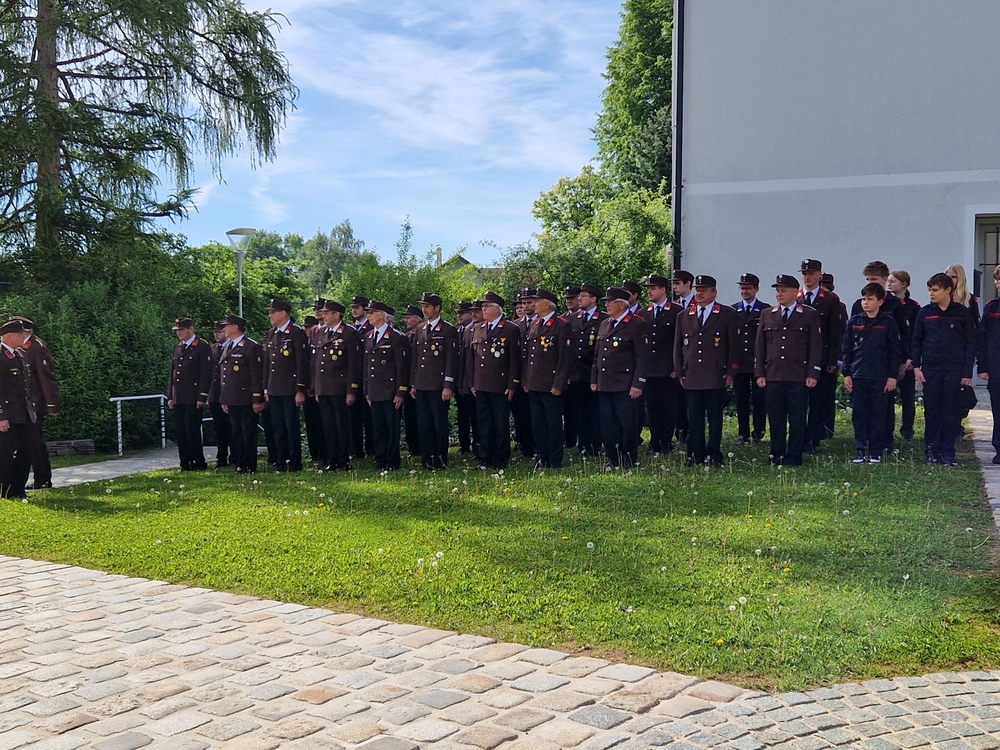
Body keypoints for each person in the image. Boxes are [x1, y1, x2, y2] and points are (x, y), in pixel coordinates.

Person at [755, 275, 823, 467]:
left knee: (797, 416)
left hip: (798, 374)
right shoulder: (767, 314)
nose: (779, 294)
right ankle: (776, 453)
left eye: (783, 290)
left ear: (795, 292)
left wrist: (813, 373)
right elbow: (760, 346)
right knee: (775, 416)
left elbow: (815, 346)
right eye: (777, 290)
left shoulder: (808, 314)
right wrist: (759, 372)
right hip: (773, 373)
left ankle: (794, 455)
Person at [674, 275, 738, 467]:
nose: (699, 293)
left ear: (714, 292)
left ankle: (714, 454)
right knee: (694, 417)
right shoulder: (684, 315)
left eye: (704, 290)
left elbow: (734, 346)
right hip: (692, 373)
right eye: (697, 290)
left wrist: (731, 371)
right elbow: (678, 346)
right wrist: (679, 371)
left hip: (715, 374)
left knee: (715, 417)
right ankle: (695, 454)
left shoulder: (727, 314)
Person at [912, 273, 976, 465]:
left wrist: (966, 372)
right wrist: (916, 367)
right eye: (929, 290)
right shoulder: (925, 313)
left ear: (948, 290)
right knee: (932, 410)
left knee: (951, 411)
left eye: (935, 290)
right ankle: (931, 451)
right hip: (931, 369)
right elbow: (916, 341)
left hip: (954, 369)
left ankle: (947, 452)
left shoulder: (962, 313)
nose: (931, 293)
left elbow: (970, 342)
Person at [851, 261, 910, 452]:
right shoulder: (858, 305)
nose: (871, 282)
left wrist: (903, 362)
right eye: (868, 279)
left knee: (884, 406)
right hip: (862, 366)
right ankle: (864, 443)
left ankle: (884, 443)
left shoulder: (895, 305)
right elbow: (851, 338)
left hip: (886, 364)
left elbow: (903, 336)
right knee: (862, 408)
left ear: (885, 280)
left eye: (874, 279)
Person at [842, 283, 902, 463]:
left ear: (880, 301)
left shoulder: (888, 323)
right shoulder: (854, 322)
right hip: (859, 375)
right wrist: (846, 373)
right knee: (860, 414)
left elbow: (894, 351)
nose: (865, 302)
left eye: (870, 299)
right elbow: (847, 350)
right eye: (863, 299)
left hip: (880, 377)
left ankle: (876, 450)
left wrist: (892, 376)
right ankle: (861, 450)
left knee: (878, 414)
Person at [591, 287, 649, 469]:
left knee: (628, 423)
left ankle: (629, 456)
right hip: (605, 383)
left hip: (625, 384)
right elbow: (597, 355)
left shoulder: (636, 324)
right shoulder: (605, 323)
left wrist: (638, 383)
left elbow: (642, 358)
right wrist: (594, 379)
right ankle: (612, 456)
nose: (606, 305)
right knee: (607, 423)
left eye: (610, 302)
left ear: (621, 305)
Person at [523, 288, 574, 468]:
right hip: (534, 382)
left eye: (536, 301)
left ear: (547, 304)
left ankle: (554, 458)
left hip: (551, 383)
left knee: (552, 422)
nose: (533, 304)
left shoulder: (561, 325)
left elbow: (565, 358)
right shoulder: (535, 323)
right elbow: (529, 356)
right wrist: (526, 380)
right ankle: (541, 455)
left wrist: (559, 383)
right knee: (537, 422)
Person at [471, 292, 522, 470]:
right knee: (484, 423)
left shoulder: (509, 329)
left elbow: (515, 360)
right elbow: (473, 358)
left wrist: (512, 383)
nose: (483, 309)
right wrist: (472, 381)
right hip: (481, 384)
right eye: (483, 306)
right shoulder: (478, 328)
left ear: (497, 309)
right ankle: (484, 458)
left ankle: (501, 459)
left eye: (487, 306)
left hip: (500, 385)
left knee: (500, 423)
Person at [798, 259, 845, 452]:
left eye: (811, 273)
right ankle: (799, 437)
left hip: (822, 357)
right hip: (799, 358)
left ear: (819, 275)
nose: (807, 277)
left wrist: (835, 358)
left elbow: (836, 331)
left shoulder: (830, 299)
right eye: (804, 274)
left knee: (818, 401)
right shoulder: (796, 297)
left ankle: (812, 439)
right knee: (799, 401)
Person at [410, 292, 459, 470]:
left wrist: (448, 385)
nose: (424, 310)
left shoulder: (447, 330)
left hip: (438, 386)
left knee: (439, 423)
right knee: (424, 424)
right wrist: (413, 383)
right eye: (422, 306)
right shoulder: (420, 329)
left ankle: (439, 459)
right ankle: (427, 459)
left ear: (437, 308)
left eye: (427, 306)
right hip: (422, 384)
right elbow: (415, 358)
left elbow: (451, 360)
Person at [10, 317, 60, 489]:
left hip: (34, 404)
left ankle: (43, 478)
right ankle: (19, 481)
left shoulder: (37, 347)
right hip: (22, 405)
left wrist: (52, 404)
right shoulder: (19, 347)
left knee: (35, 442)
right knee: (25, 443)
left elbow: (46, 378)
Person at [313, 300, 361, 472]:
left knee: (342, 425)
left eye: (327, 313)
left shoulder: (349, 333)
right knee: (328, 425)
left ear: (336, 314)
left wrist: (351, 390)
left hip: (340, 388)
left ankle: (343, 460)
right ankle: (331, 459)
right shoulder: (321, 332)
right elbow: (317, 362)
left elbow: (354, 364)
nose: (323, 315)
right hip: (324, 388)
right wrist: (316, 387)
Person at [637, 274, 682, 454]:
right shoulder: (643, 313)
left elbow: (679, 342)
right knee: (652, 407)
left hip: (668, 368)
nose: (649, 291)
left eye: (653, 288)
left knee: (668, 407)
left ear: (663, 289)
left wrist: (677, 366)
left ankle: (666, 440)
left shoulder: (676, 311)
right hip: (649, 368)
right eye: (648, 288)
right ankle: (654, 440)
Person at [263, 299, 309, 472]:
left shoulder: (295, 332)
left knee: (291, 426)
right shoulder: (272, 333)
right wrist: (266, 388)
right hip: (274, 388)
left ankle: (294, 461)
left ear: (283, 313)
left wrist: (300, 389)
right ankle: (281, 460)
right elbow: (268, 363)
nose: (270, 315)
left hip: (290, 388)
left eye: (273, 312)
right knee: (277, 426)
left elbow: (302, 362)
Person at [363, 301, 409, 471]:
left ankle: (391, 460)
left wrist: (400, 391)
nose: (368, 315)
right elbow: (366, 366)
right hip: (375, 390)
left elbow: (402, 367)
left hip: (390, 391)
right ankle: (380, 458)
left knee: (391, 427)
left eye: (371, 312)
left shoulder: (396, 337)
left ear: (381, 315)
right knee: (378, 427)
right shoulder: (368, 336)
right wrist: (366, 390)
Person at [218, 313, 264, 474]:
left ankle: (248, 464)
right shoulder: (228, 346)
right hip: (232, 398)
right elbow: (225, 376)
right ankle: (238, 463)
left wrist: (257, 399)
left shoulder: (251, 347)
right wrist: (224, 398)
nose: (224, 329)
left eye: (226, 326)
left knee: (247, 432)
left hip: (246, 398)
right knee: (235, 432)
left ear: (235, 327)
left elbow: (256, 375)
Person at [167, 317, 212, 471]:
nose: (178, 333)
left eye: (181, 329)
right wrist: (170, 395)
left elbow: (206, 374)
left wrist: (202, 396)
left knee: (192, 430)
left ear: (190, 329)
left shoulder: (202, 346)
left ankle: (198, 462)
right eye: (177, 330)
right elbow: (173, 373)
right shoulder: (178, 346)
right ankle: (185, 462)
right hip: (179, 396)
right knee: (181, 432)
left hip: (193, 396)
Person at [566, 284, 605, 457]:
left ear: (593, 298)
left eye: (583, 296)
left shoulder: (602, 319)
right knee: (579, 412)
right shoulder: (573, 318)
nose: (579, 299)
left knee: (594, 411)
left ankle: (594, 444)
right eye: (579, 296)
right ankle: (583, 444)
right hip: (576, 373)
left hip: (593, 372)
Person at [0, 319, 36, 498]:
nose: (24, 337)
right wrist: (1, 416)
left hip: (24, 413)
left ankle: (18, 489)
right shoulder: (1, 356)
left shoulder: (19, 354)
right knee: (6, 455)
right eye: (20, 334)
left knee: (26, 451)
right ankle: (4, 490)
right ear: (9, 336)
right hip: (8, 414)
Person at [732, 273, 766, 445]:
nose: (744, 291)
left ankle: (758, 432)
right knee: (741, 399)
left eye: (748, 288)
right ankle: (743, 433)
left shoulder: (765, 310)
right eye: (742, 288)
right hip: (739, 362)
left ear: (756, 289)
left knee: (760, 399)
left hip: (758, 362)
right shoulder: (733, 310)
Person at [888, 270, 920, 441]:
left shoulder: (913, 306)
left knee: (907, 397)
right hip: (891, 357)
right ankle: (888, 430)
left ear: (904, 284)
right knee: (888, 397)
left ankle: (907, 431)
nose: (889, 284)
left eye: (893, 281)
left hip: (907, 357)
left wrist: (911, 358)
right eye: (888, 280)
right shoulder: (887, 304)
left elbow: (915, 334)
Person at [978, 265, 1000, 464]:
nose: (997, 283)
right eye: (997, 279)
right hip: (996, 365)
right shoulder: (992, 308)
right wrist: (983, 366)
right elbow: (983, 338)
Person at [511, 288, 536, 459]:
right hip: (519, 376)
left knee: (537, 414)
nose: (525, 306)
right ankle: (526, 447)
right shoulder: (515, 325)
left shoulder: (543, 322)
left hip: (537, 376)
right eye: (523, 303)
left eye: (529, 302)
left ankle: (539, 446)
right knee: (521, 414)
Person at [349, 295, 374, 459]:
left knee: (369, 416)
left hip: (367, 376)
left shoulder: (371, 328)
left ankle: (371, 448)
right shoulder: (351, 329)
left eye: (357, 307)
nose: (354, 310)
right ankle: (356, 449)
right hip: (353, 377)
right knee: (353, 416)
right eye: (352, 308)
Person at [672, 270, 695, 444]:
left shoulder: (698, 304)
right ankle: (680, 432)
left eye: (678, 283)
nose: (674, 287)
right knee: (678, 400)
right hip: (679, 359)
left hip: (694, 360)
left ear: (688, 284)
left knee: (692, 401)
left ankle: (692, 432)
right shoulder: (674, 306)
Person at [454, 301, 476, 455]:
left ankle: (477, 444)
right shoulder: (456, 331)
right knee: (462, 414)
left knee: (474, 414)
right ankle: (464, 444)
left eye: (462, 313)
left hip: (471, 379)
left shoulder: (475, 330)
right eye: (458, 313)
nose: (459, 316)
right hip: (459, 378)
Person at [207, 321, 231, 468]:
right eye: (215, 332)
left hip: (228, 394)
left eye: (219, 332)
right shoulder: (212, 349)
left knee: (231, 427)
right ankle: (221, 457)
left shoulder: (232, 346)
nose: (216, 334)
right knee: (219, 428)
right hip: (215, 394)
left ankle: (235, 455)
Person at [401, 304, 423, 458]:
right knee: (409, 416)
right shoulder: (406, 337)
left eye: (409, 318)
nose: (406, 321)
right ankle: (413, 447)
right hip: (407, 382)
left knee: (422, 416)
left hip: (421, 381)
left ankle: (423, 446)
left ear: (417, 319)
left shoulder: (423, 335)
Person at [945, 263, 980, 330]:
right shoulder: (940, 297)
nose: (950, 280)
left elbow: (975, 322)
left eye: (953, 277)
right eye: (948, 277)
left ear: (960, 278)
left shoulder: (970, 298)